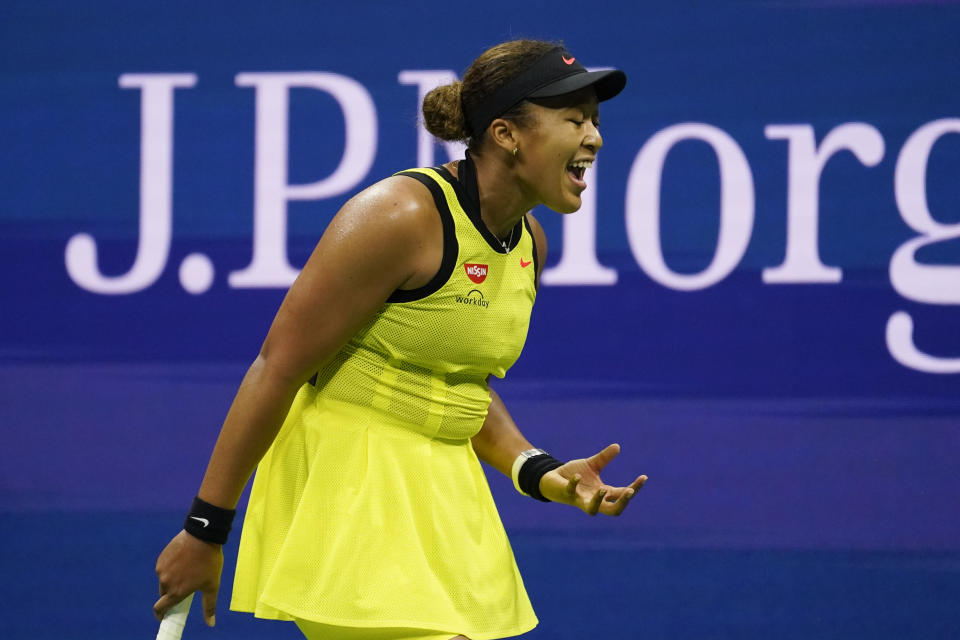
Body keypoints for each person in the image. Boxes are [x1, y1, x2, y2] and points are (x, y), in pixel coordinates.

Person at [153, 39, 647, 640]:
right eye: (574, 120)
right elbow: (277, 367)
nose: (594, 137)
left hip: (443, 497)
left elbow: (458, 385)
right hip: (348, 482)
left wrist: (539, 472)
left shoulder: (529, 244)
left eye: (595, 120)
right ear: (505, 134)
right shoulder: (401, 216)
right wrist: (205, 529)